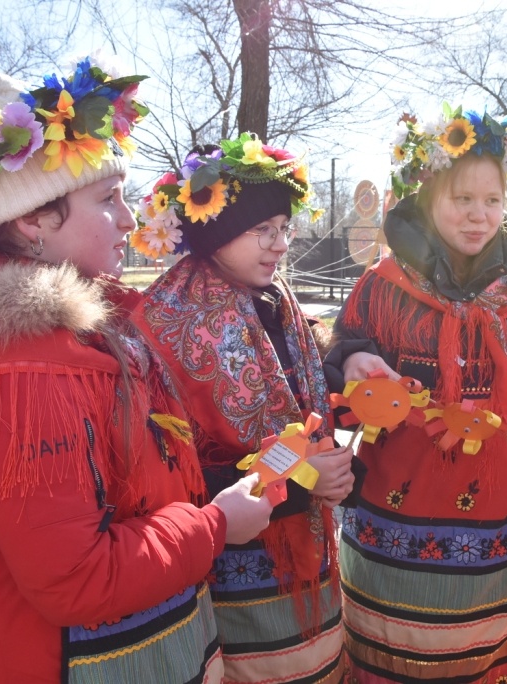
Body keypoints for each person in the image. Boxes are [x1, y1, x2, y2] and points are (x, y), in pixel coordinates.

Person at [0, 58, 274, 683]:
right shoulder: (21, 375)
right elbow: (78, 577)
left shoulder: (58, 345)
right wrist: (216, 524)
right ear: (31, 221)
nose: (131, 220)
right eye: (108, 199)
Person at [325, 105, 507, 682]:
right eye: (461, 200)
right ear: (427, 198)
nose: (478, 216)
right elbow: (336, 365)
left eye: (491, 201)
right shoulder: (383, 286)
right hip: (395, 525)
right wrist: (348, 363)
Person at [129, 134, 354, 684]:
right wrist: (303, 479)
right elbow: (165, 472)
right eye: (263, 231)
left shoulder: (276, 301)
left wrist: (345, 403)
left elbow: (299, 403)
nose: (280, 245)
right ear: (218, 229)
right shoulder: (167, 322)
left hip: (307, 559)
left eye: (284, 228)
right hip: (230, 574)